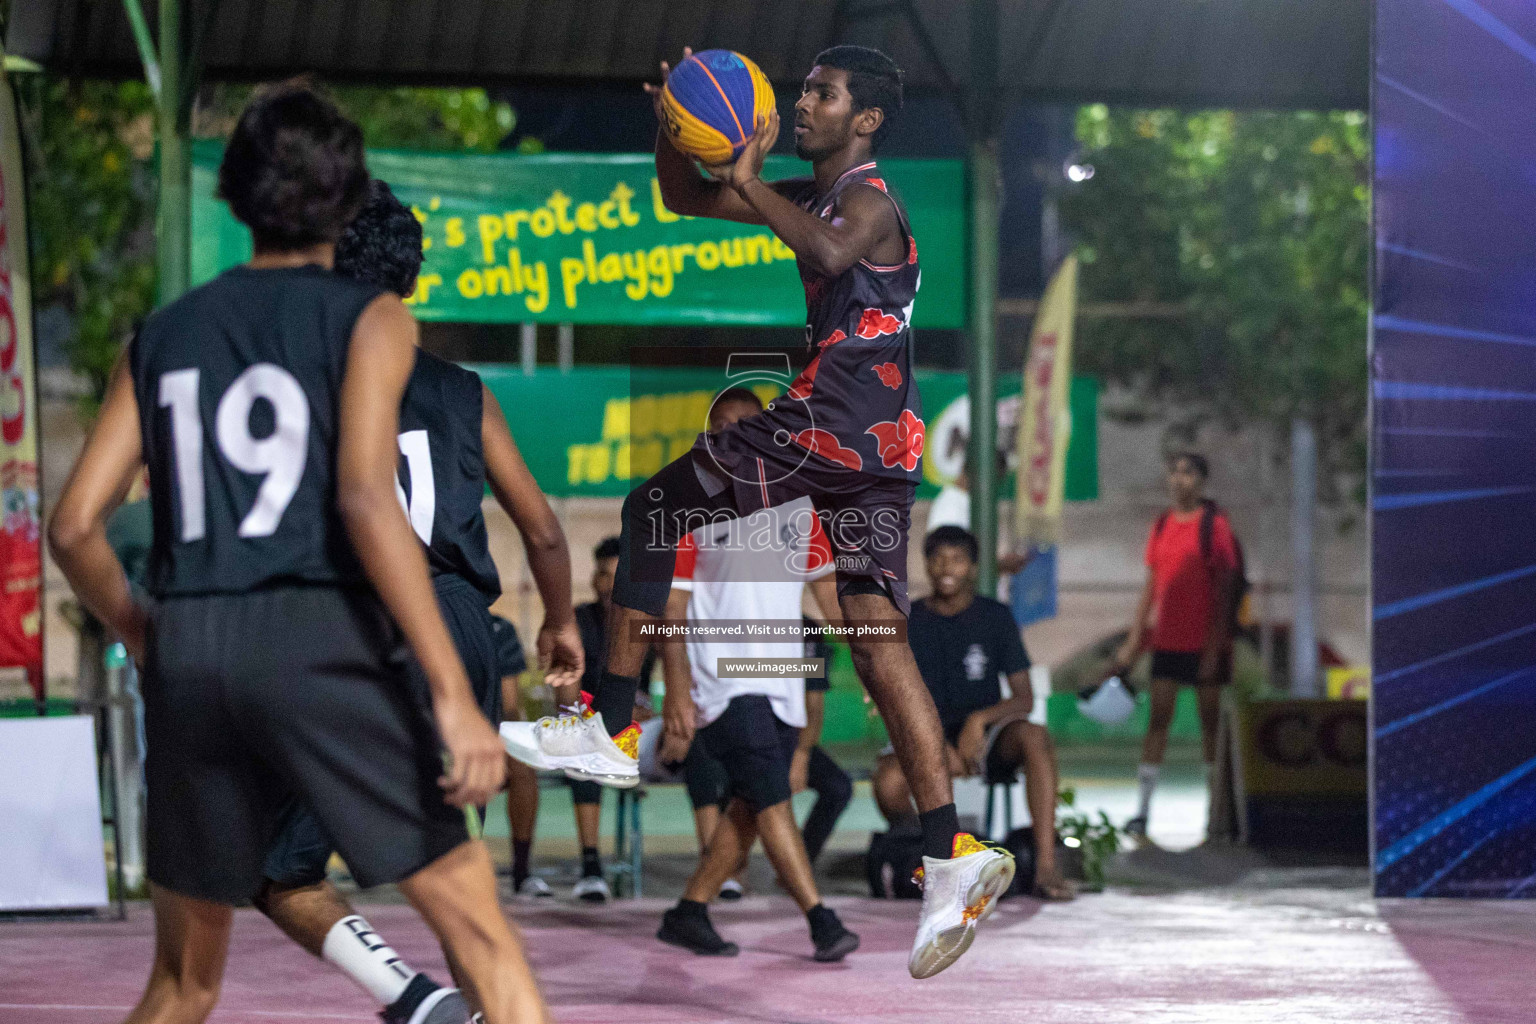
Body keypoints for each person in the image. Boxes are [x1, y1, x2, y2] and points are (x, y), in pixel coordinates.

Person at [503, 44, 1013, 981]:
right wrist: (672, 131)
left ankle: (613, 723)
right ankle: (953, 854)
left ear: (865, 119)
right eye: (804, 90)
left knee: (655, 506)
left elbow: (822, 248)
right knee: (877, 640)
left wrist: (743, 174)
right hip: (874, 450)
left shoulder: (868, 201)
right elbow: (682, 201)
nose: (802, 103)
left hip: (830, 427)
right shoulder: (809, 193)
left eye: (823, 93)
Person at [47, 85, 546, 1024]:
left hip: (192, 647)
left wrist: (145, 630)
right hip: (317, 639)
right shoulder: (372, 320)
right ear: (347, 197)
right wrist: (449, 690)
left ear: (236, 198)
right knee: (485, 941)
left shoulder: (159, 338)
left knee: (184, 982)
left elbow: (74, 525)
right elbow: (365, 497)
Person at [247, 177, 582, 1023]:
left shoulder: (300, 377)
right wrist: (563, 621)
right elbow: (542, 529)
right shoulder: (463, 389)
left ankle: (416, 1002)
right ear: (413, 276)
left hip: (360, 624)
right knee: (453, 870)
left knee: (277, 868)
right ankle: (478, 1009)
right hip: (464, 628)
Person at [653, 388, 856, 960]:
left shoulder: (799, 507)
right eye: (721, 427)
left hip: (780, 679)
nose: (732, 437)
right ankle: (822, 921)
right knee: (770, 800)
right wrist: (677, 694)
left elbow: (828, 597)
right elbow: (672, 611)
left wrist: (873, 664)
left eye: (746, 426)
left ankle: (688, 912)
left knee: (747, 806)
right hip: (725, 680)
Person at [874, 526, 1076, 900]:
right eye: (936, 558)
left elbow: (1024, 698)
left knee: (1035, 736)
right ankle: (928, 861)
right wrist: (933, 744)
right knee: (887, 784)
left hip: (984, 739)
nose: (945, 567)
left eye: (956, 558)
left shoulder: (994, 617)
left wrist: (978, 721)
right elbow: (893, 693)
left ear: (973, 566)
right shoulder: (910, 618)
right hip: (924, 731)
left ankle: (1046, 867)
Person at [1115, 451, 1239, 842]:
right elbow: (1151, 586)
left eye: (1188, 472)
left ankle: (1217, 814)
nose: (1179, 479)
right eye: (1174, 472)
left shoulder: (1214, 526)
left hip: (1205, 643)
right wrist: (1136, 638)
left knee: (1210, 727)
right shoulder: (1162, 525)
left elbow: (1225, 590)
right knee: (1158, 722)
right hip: (1168, 642)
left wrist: (1215, 646)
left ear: (1202, 480)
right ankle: (1143, 811)